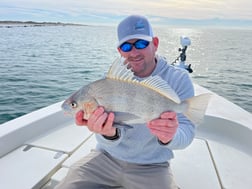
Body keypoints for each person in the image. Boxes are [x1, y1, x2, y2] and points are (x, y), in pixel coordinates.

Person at [56, 15, 195, 189]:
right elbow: (111, 131)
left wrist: (170, 137)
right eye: (126, 46)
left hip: (152, 166)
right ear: (120, 51)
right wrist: (108, 134)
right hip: (105, 158)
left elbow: (187, 133)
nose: (134, 52)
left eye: (141, 44)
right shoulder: (106, 84)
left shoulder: (178, 79)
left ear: (155, 43)